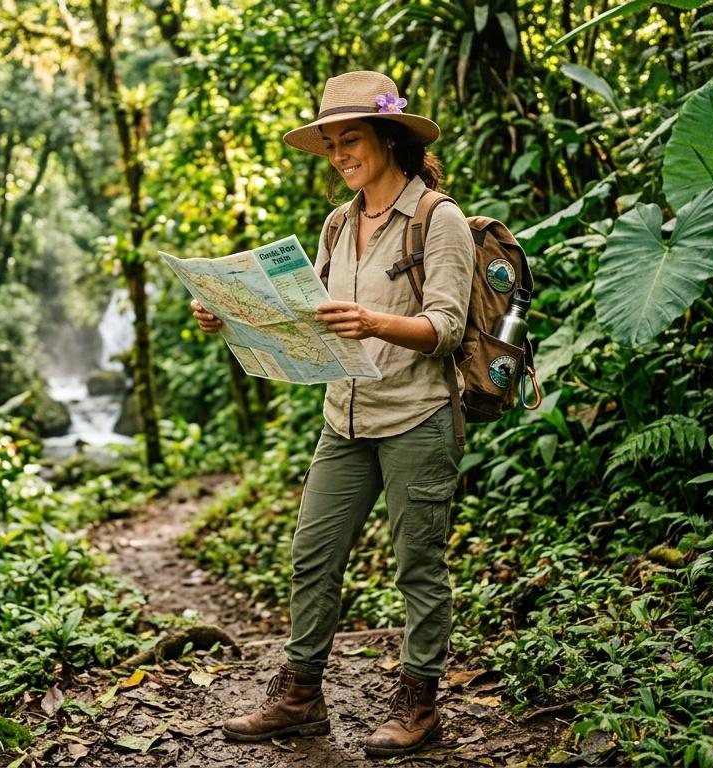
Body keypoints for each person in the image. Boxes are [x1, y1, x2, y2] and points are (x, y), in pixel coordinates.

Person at [191, 70, 475, 757]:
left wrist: (374, 321)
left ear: (387, 137)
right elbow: (307, 322)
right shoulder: (336, 223)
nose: (339, 153)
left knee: (418, 564)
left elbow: (448, 328)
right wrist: (227, 317)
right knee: (311, 555)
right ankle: (299, 696)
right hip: (343, 420)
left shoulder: (440, 219)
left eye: (351, 138)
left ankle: (420, 700)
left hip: (417, 416)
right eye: (331, 144)